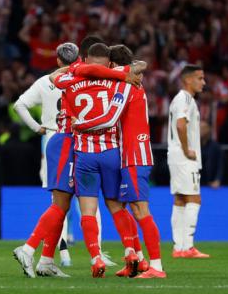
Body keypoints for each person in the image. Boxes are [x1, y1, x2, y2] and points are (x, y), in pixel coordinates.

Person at [12, 36, 136, 277]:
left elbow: (55, 79)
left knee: (65, 204)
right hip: (64, 141)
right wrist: (120, 73)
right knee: (61, 204)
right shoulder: (88, 79)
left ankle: (47, 260)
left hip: (72, 143)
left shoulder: (66, 78)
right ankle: (28, 248)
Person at [73, 44, 166, 279]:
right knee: (128, 208)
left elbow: (109, 117)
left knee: (140, 209)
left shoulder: (126, 85)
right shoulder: (130, 81)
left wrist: (80, 125)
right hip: (127, 155)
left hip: (135, 154)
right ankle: (139, 259)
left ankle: (156, 266)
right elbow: (140, 65)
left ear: (114, 66)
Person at [51, 43, 140, 278]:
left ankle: (96, 258)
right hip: (112, 152)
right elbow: (137, 68)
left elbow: (54, 79)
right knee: (117, 207)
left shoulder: (69, 81)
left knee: (88, 210)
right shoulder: (118, 80)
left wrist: (73, 69)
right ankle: (131, 252)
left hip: (84, 155)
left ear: (86, 61)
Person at [168, 65, 210, 258]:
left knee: (180, 199)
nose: (203, 82)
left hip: (175, 155)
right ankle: (188, 247)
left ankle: (179, 247)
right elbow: (180, 124)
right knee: (194, 198)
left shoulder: (181, 99)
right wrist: (187, 150)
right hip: (184, 157)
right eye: (200, 78)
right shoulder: (184, 98)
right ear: (188, 80)